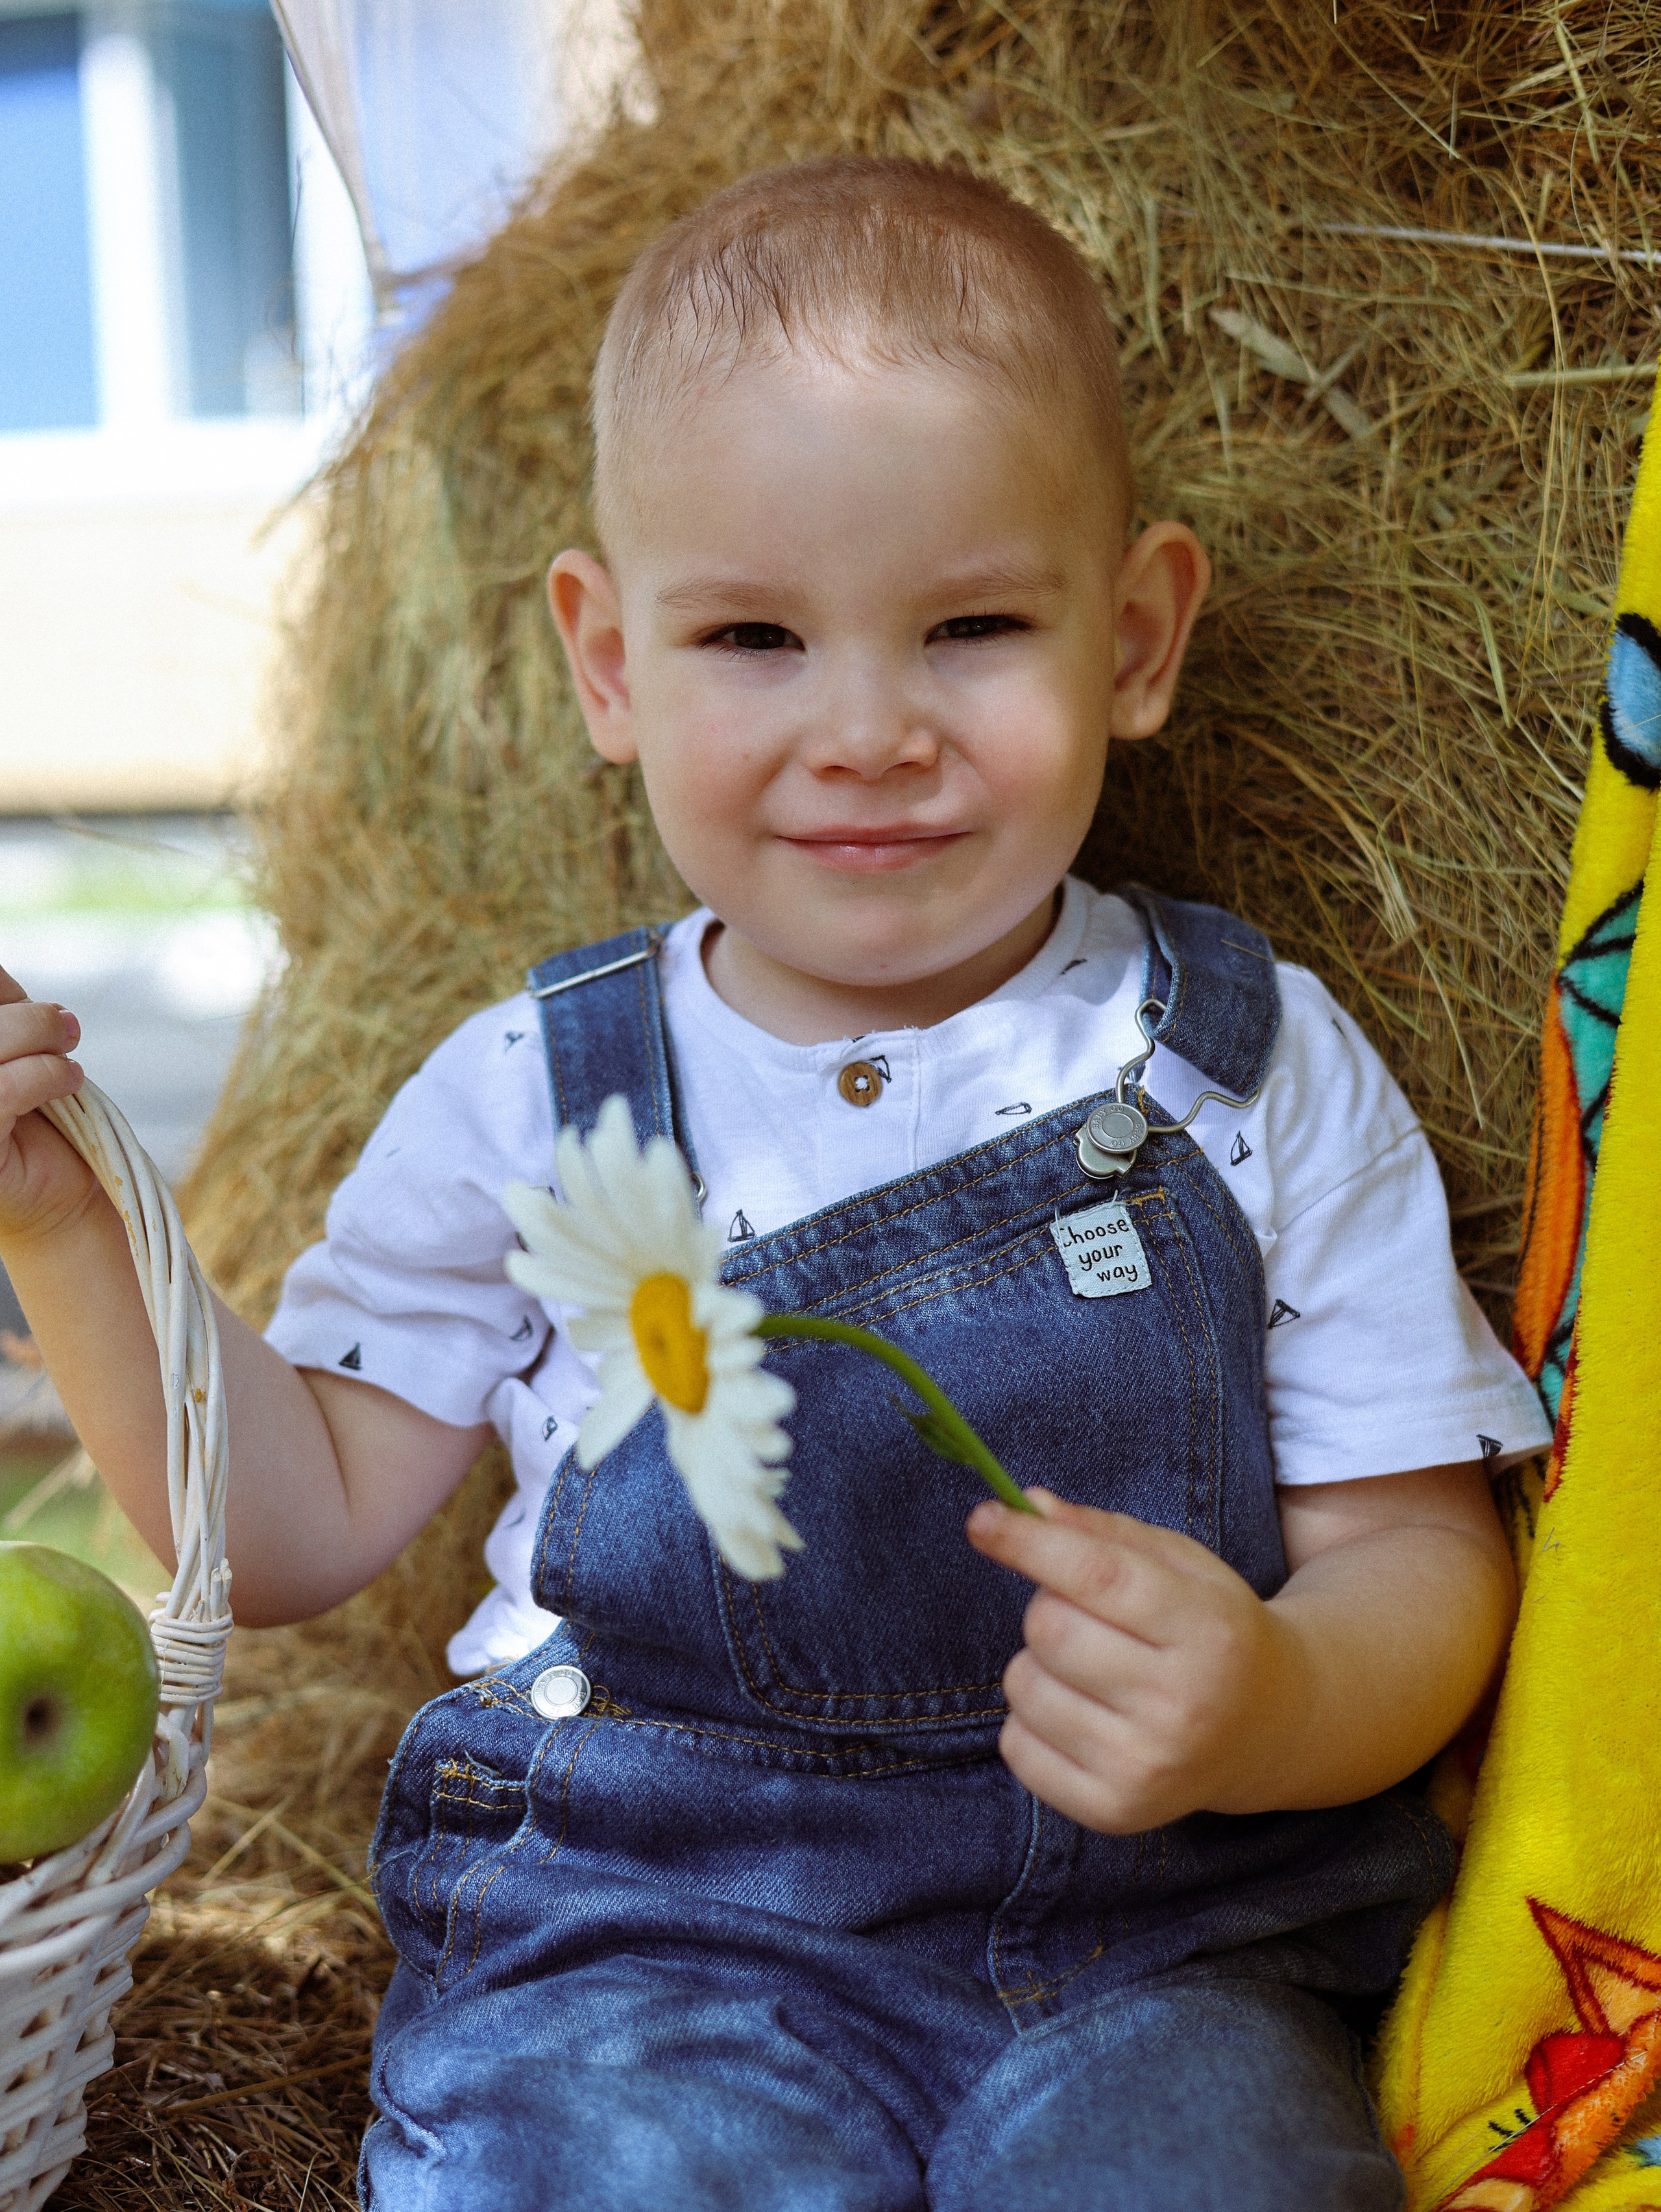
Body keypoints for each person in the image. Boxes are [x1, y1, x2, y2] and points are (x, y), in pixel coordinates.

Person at [0, 158, 1551, 2209]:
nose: (868, 729)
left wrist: (1270, 1697)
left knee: (1212, 2172)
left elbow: (1424, 1559)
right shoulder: (539, 1096)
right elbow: (284, 1518)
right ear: (608, 661)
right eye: (753, 634)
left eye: (972, 626)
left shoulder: (1245, 1063)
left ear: (1141, 633)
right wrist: (58, 1217)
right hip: (649, 1941)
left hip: (1155, 1944)